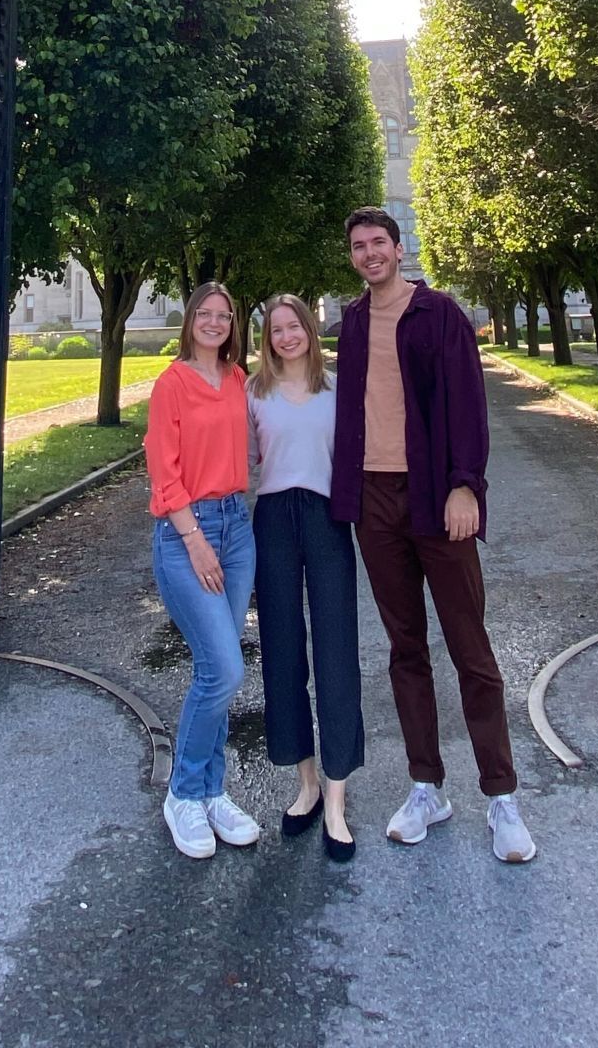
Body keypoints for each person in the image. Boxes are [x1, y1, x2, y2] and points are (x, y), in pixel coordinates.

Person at [329, 207, 537, 864]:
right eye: (359, 247)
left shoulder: (440, 314)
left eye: (379, 244)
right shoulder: (355, 322)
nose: (370, 255)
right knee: (405, 649)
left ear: (397, 248)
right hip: (375, 501)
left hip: (435, 498)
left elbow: (467, 404)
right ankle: (427, 787)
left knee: (470, 648)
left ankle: (501, 796)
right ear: (353, 256)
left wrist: (464, 485)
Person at [144, 281, 261, 859]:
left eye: (225, 315)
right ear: (190, 321)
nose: (214, 323)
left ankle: (213, 792)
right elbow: (162, 472)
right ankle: (183, 794)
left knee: (220, 669)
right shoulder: (171, 384)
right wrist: (194, 540)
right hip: (186, 532)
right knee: (223, 668)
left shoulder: (238, 378)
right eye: (205, 315)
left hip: (237, 529)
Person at [248, 293, 363, 863]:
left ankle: (338, 801)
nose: (287, 336)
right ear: (266, 338)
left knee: (337, 650)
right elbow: (239, 463)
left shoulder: (337, 390)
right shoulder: (253, 392)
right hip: (271, 519)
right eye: (277, 330)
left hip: (325, 518)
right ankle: (307, 784)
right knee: (283, 650)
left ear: (310, 331)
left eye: (295, 326)